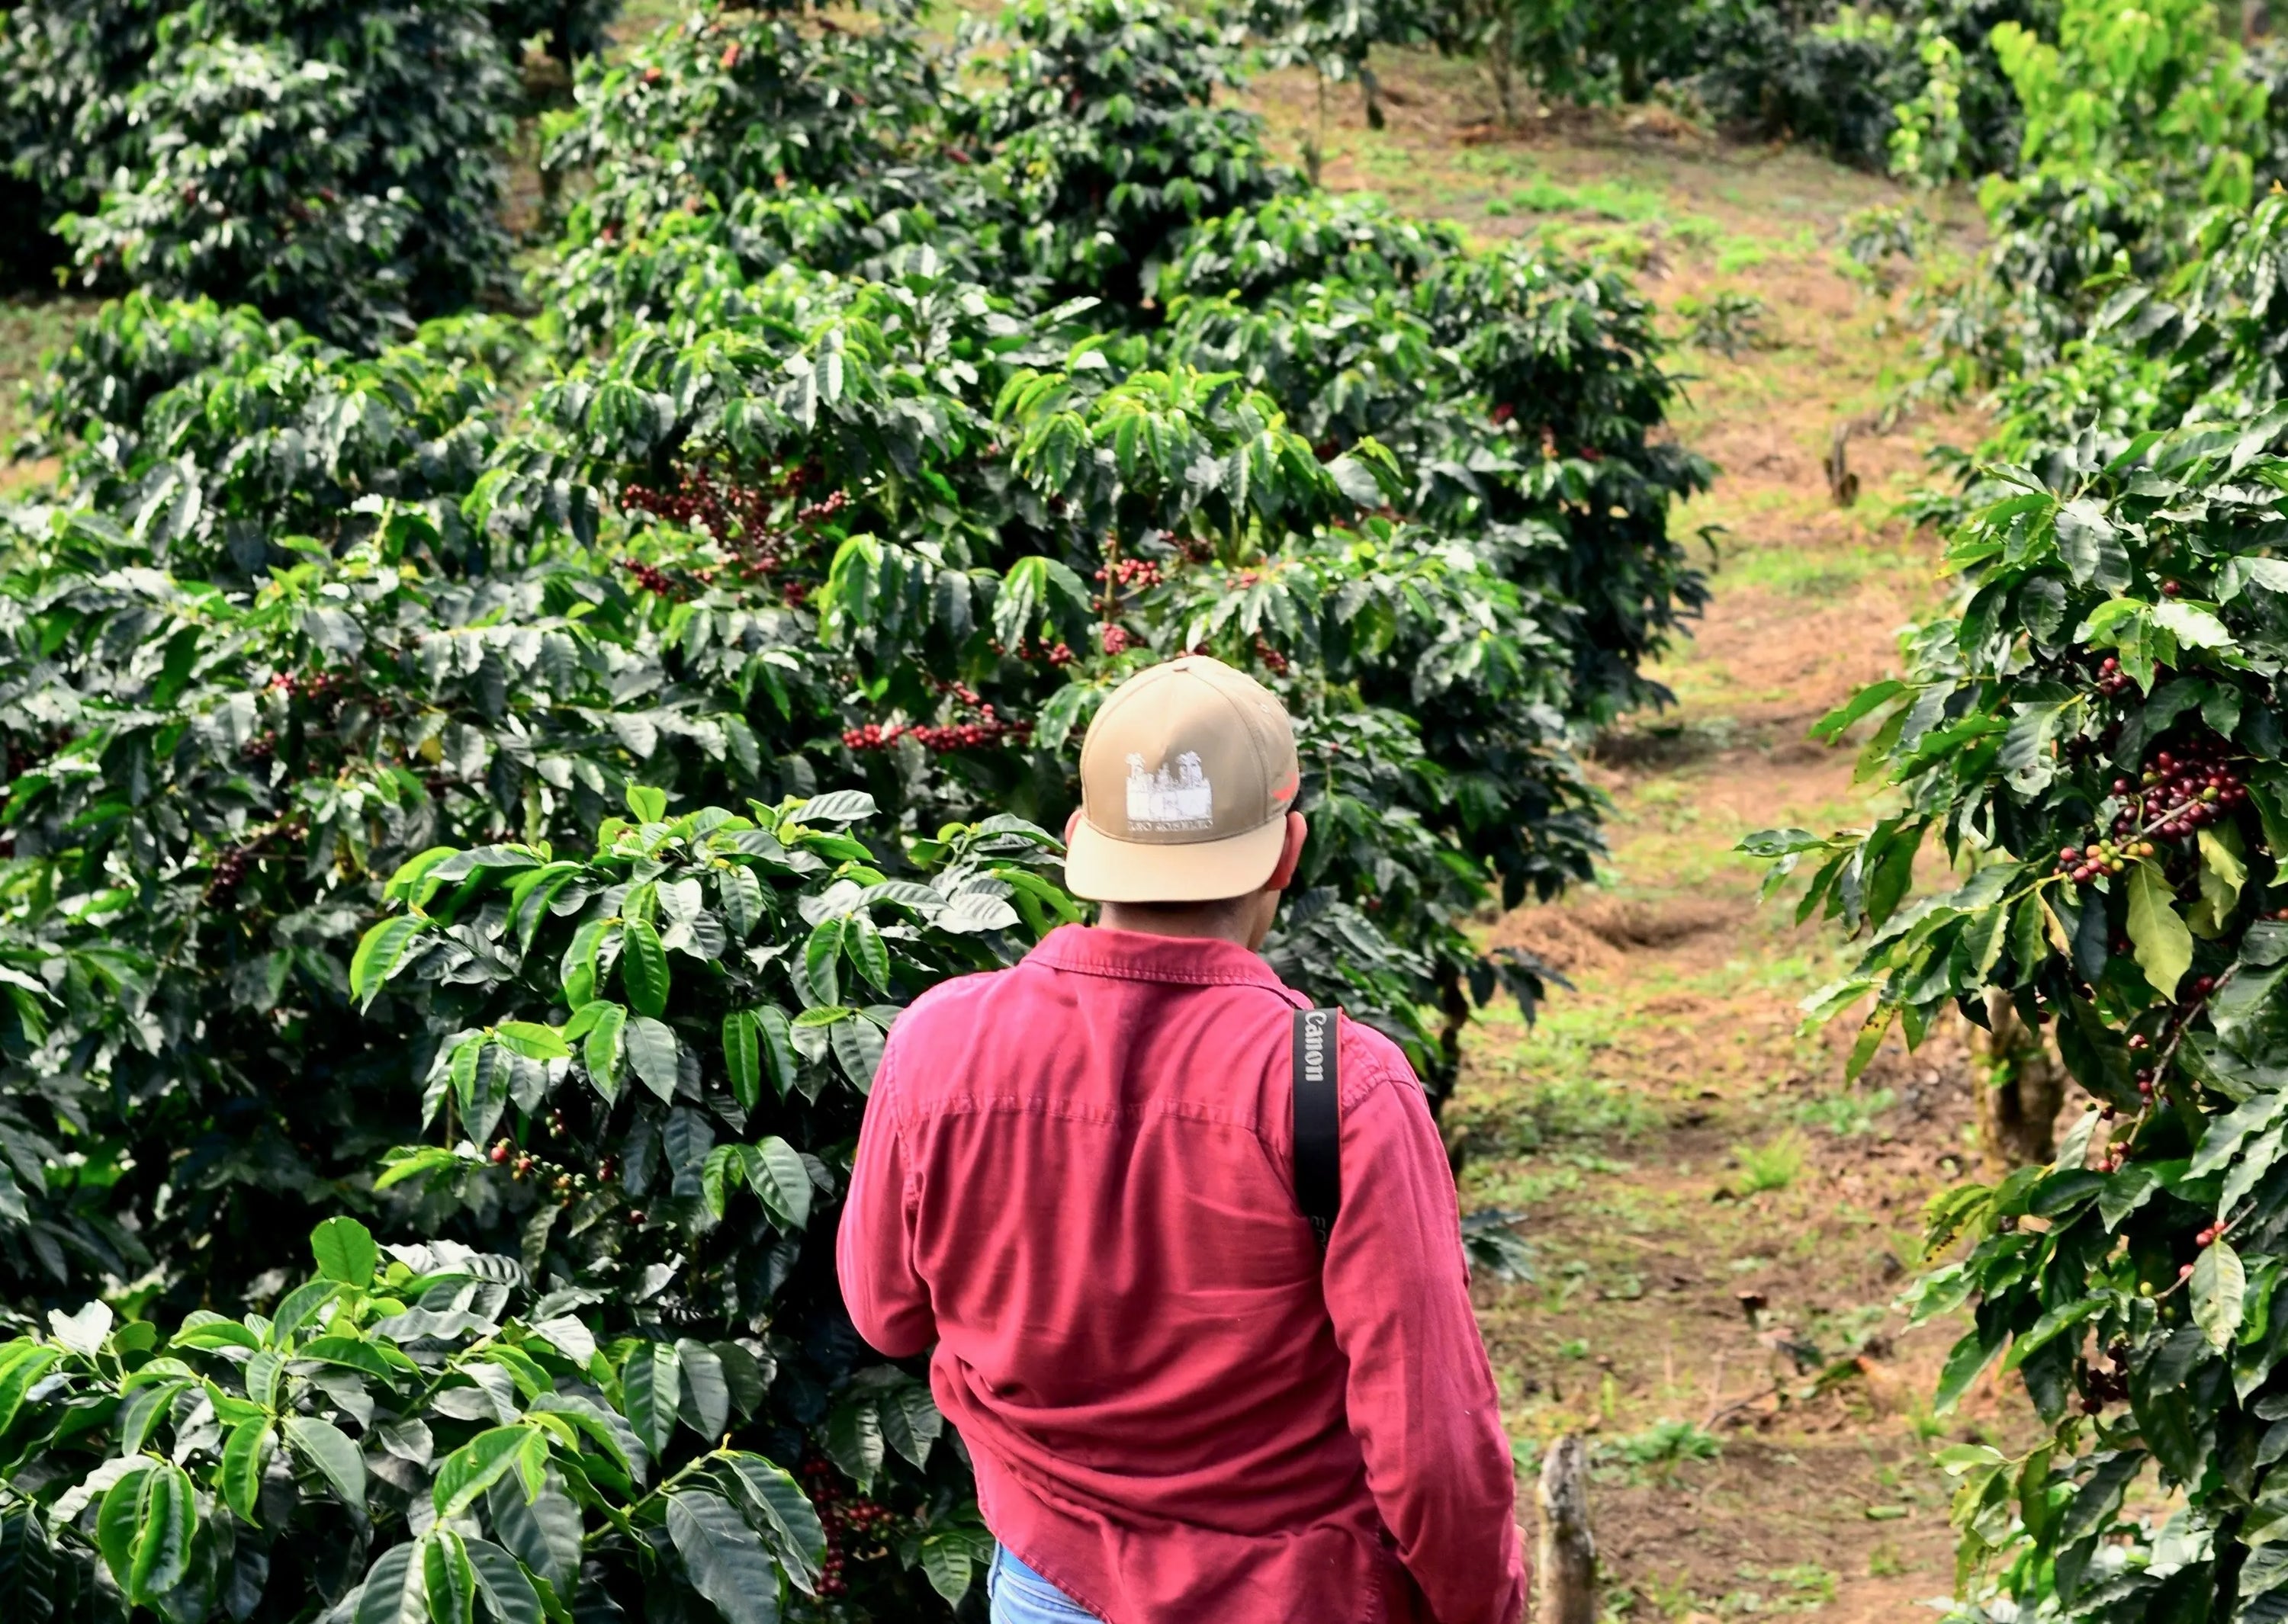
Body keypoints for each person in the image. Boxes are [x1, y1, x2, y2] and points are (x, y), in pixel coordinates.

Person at [837, 654, 1528, 1624]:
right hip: (1287, 1596)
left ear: (1078, 840)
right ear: (1289, 851)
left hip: (1048, 1586)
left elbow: (885, 1313)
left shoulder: (938, 1039)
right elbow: (1432, 1445)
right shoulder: (1340, 1083)